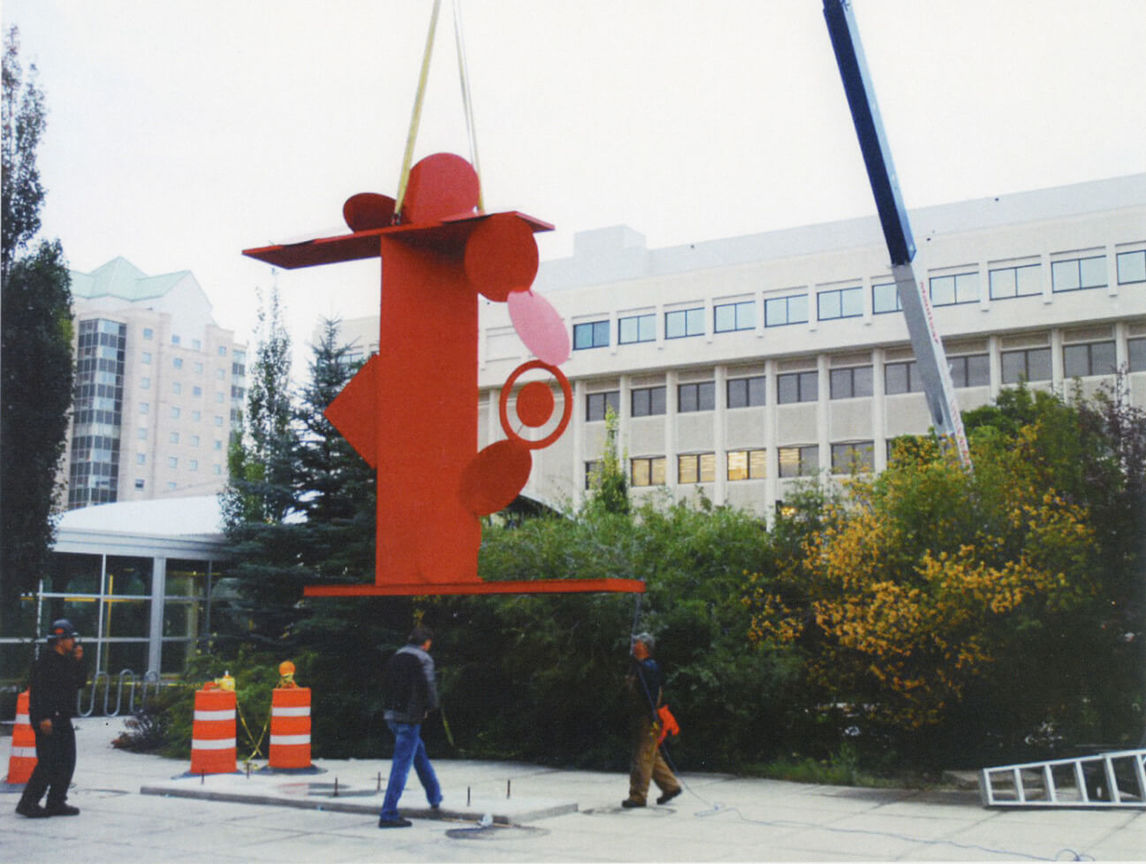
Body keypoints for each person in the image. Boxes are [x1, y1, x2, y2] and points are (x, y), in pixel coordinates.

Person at [16, 618, 89, 818]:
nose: (73, 642)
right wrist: (43, 717)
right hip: (47, 719)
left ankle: (56, 801)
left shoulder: (67, 661)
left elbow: (80, 683)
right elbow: (39, 692)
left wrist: (80, 661)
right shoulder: (45, 662)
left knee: (67, 761)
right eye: (70, 638)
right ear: (60, 640)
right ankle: (28, 802)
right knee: (48, 762)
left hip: (62, 718)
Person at [378, 624, 443, 828]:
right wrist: (432, 707)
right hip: (409, 717)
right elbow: (429, 686)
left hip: (391, 715)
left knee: (418, 754)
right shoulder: (424, 659)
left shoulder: (396, 656)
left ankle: (435, 796)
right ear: (426, 643)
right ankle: (388, 813)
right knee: (401, 765)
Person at [621, 632, 682, 809]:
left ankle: (638, 796)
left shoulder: (649, 666)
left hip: (648, 718)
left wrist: (652, 716)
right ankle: (670, 787)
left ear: (645, 647)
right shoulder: (639, 666)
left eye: (637, 643)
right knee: (650, 753)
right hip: (640, 717)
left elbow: (651, 695)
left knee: (642, 756)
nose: (633, 645)